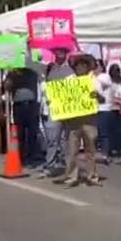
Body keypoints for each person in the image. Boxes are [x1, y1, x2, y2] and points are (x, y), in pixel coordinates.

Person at [58, 55, 102, 187]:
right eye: (78, 65)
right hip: (73, 119)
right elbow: (61, 98)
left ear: (87, 67)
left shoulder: (93, 81)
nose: (80, 68)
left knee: (90, 149)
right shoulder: (69, 80)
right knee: (72, 150)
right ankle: (71, 176)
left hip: (89, 119)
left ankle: (92, 176)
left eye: (83, 65)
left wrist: (97, 96)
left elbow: (102, 99)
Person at [42, 47, 74, 178]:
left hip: (66, 108)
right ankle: (50, 165)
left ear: (66, 55)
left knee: (65, 139)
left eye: (62, 52)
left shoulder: (70, 71)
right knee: (52, 138)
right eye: (57, 52)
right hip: (53, 108)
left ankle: (67, 165)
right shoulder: (50, 69)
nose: (59, 54)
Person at [5, 66, 42, 167]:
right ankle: (21, 158)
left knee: (32, 133)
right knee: (20, 133)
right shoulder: (13, 74)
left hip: (31, 105)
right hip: (19, 106)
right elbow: (7, 87)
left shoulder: (32, 72)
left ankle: (32, 157)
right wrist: (10, 76)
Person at [95, 61, 118, 163]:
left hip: (104, 109)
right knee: (96, 133)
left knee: (103, 133)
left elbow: (102, 85)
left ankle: (105, 154)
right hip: (95, 109)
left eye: (96, 66)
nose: (94, 68)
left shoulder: (104, 77)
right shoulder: (93, 78)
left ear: (101, 67)